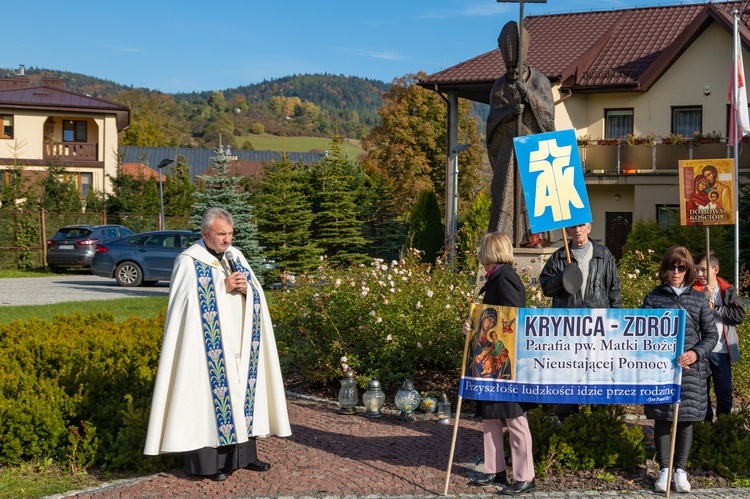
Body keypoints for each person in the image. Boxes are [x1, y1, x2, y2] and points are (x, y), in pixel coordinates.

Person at [144, 207, 291, 481]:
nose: (226, 240)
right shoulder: (189, 261)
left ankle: (245, 458)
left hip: (240, 346)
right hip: (205, 351)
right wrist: (221, 288)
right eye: (221, 234)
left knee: (242, 397)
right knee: (208, 405)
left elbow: (256, 292)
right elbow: (183, 306)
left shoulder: (236, 256)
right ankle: (209, 466)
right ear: (204, 233)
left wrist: (249, 290)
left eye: (230, 234)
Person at [463, 232, 536, 495]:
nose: (479, 255)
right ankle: (495, 470)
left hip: (506, 363)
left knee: (514, 417)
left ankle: (525, 476)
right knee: (491, 416)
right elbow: (491, 319)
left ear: (490, 252)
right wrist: (473, 328)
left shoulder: (505, 278)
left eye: (482, 250)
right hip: (491, 364)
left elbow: (512, 319)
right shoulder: (496, 277)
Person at [642, 246, 718, 493]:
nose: (676, 272)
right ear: (664, 269)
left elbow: (711, 334)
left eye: (681, 267)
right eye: (671, 267)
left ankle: (681, 471)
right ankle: (664, 469)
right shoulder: (653, 299)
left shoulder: (697, 299)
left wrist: (696, 353)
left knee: (686, 421)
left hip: (690, 372)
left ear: (688, 271)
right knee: (662, 420)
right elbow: (642, 331)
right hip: (661, 371)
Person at [539, 222, 621, 420]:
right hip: (568, 326)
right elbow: (546, 288)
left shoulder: (603, 254)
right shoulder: (559, 256)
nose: (577, 230)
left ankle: (598, 420)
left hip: (598, 324)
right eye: (573, 227)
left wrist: (615, 321)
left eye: (581, 226)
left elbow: (614, 290)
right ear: (567, 231)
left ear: (589, 228)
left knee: (598, 372)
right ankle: (567, 421)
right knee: (568, 373)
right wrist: (563, 276)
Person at [486, 20, 555, 240]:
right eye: (508, 68)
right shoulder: (499, 85)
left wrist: (529, 96)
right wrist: (509, 110)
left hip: (534, 147)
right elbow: (492, 119)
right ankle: (501, 240)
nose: (512, 72)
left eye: (515, 68)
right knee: (504, 192)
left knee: (534, 192)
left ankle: (534, 237)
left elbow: (548, 114)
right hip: (508, 149)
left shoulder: (540, 81)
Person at [693, 252, 746, 421]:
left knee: (723, 390)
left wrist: (714, 308)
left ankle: (724, 425)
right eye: (697, 270)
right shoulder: (693, 290)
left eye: (703, 270)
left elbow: (739, 315)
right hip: (701, 349)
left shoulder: (727, 291)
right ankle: (705, 425)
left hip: (722, 349)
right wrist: (703, 298)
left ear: (715, 269)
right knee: (702, 391)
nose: (699, 274)